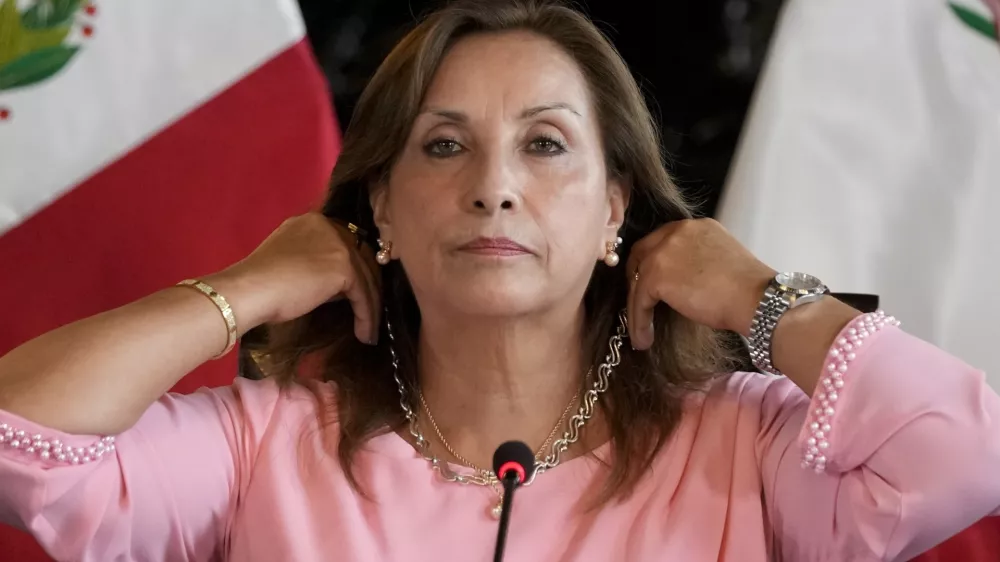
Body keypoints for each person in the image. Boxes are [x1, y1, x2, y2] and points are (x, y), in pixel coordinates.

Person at [0, 0, 997, 560]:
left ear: (616, 206)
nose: (493, 189)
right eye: (443, 146)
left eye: (546, 145)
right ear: (380, 207)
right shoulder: (268, 437)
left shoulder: (742, 438)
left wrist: (753, 291)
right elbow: (20, 438)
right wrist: (247, 287)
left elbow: (965, 454)